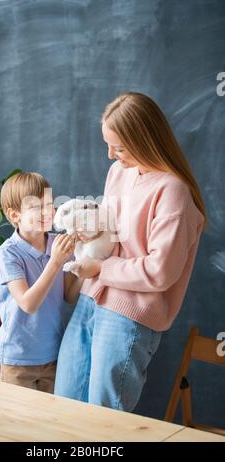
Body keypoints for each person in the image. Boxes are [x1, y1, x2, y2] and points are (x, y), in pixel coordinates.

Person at [54, 92, 206, 411]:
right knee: (64, 406)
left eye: (119, 147)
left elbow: (159, 271)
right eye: (108, 144)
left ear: (145, 140)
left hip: (128, 313)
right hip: (89, 299)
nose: (110, 155)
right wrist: (89, 228)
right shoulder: (119, 173)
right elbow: (114, 233)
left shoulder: (173, 192)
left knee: (104, 419)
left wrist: (100, 269)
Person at [0, 172, 82, 393]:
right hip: (18, 358)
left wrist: (84, 260)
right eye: (36, 207)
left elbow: (70, 296)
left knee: (50, 421)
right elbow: (28, 304)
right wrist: (55, 262)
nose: (48, 212)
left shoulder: (58, 243)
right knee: (19, 422)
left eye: (50, 205)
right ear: (15, 215)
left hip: (53, 353)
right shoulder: (8, 253)